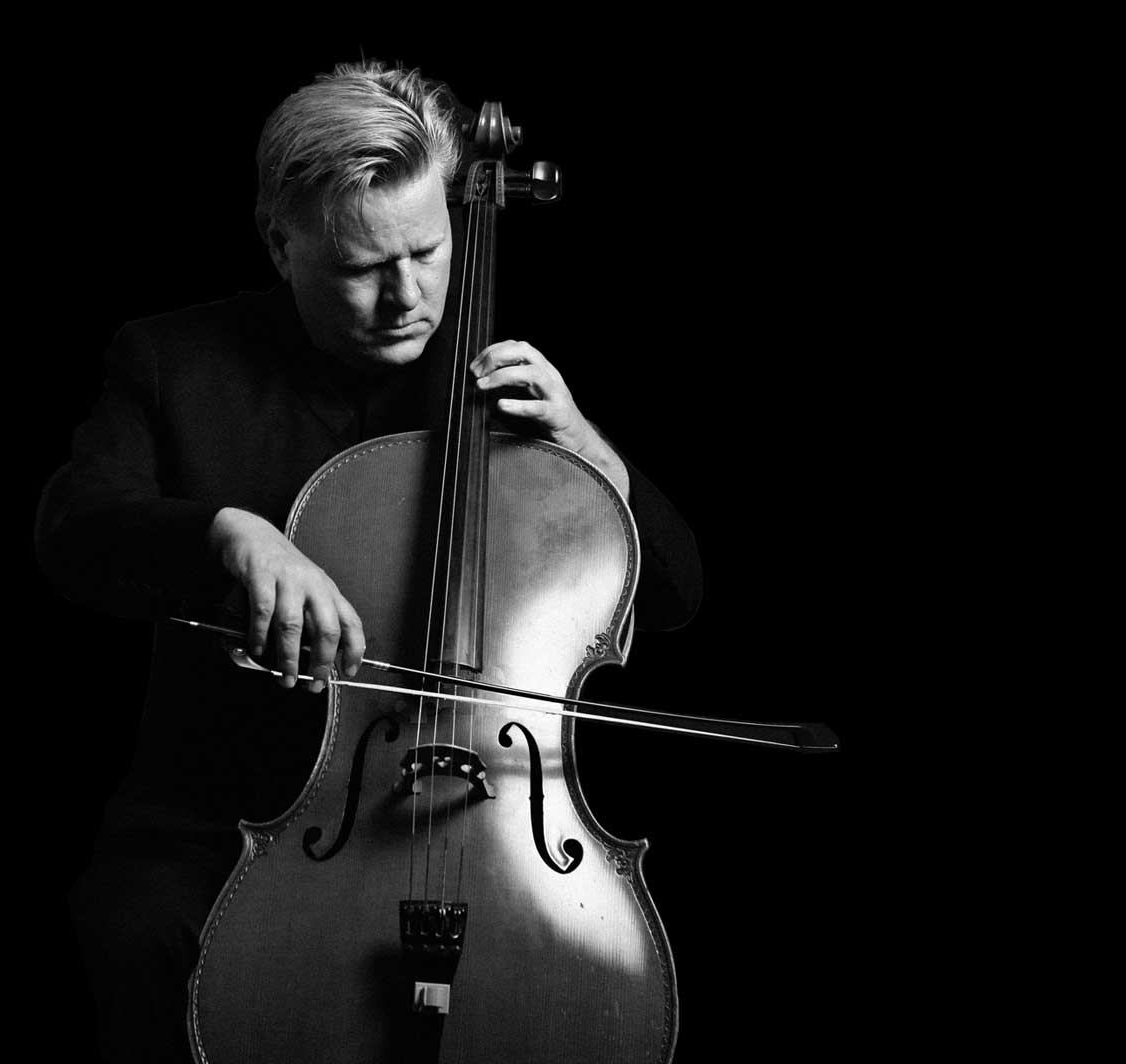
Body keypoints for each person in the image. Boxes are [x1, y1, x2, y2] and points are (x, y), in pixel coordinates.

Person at [37, 60, 702, 1064]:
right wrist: (226, 531)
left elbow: (678, 596)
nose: (408, 295)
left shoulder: (503, 390)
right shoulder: (171, 362)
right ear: (281, 243)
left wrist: (587, 451)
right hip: (216, 808)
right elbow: (73, 530)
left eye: (428, 251)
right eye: (361, 269)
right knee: (132, 932)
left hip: (488, 819)